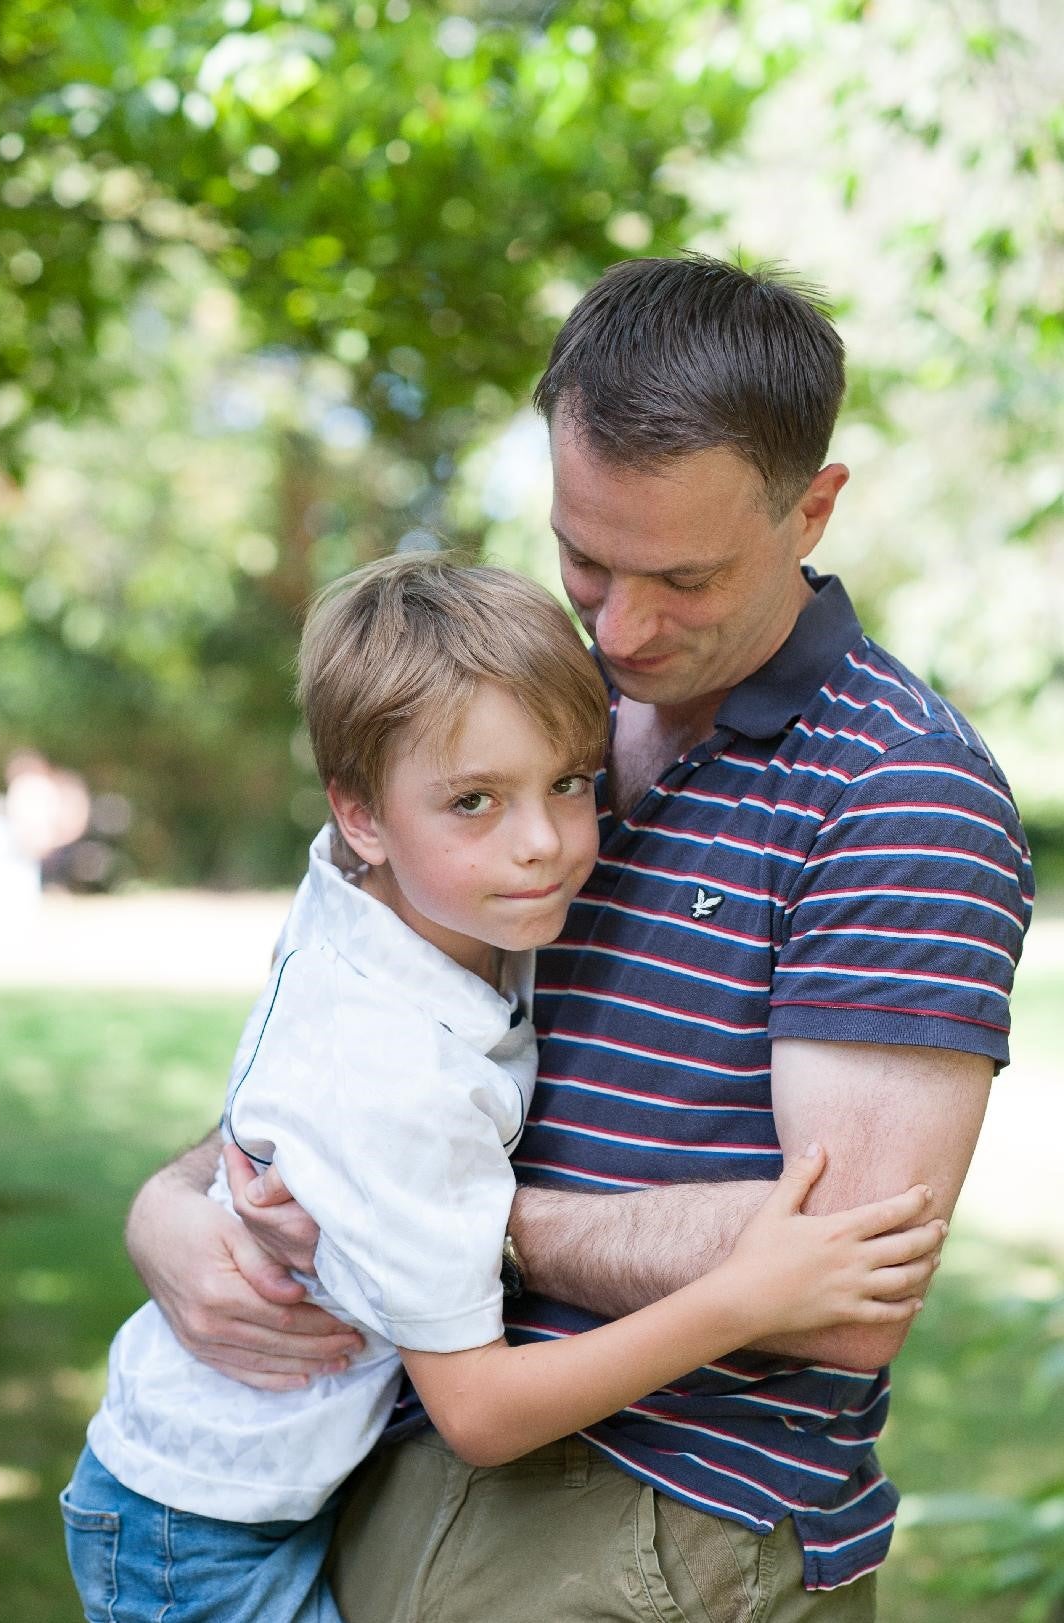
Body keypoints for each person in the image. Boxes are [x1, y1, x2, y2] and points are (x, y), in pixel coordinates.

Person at [124, 257, 1034, 1621]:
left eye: (683, 575)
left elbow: (844, 1274)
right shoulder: (533, 712)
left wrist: (424, 1224)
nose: (621, 626)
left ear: (814, 507)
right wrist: (177, 1206)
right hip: (384, 1441)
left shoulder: (897, 789)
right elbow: (367, 1035)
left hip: (653, 1510)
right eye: (585, 559)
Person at [61, 553, 942, 1623]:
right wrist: (741, 1299)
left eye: (570, 783)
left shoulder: (390, 892)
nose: (543, 848)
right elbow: (478, 1410)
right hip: (196, 1529)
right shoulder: (395, 1072)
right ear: (363, 816)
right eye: (474, 802)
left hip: (260, 1476)